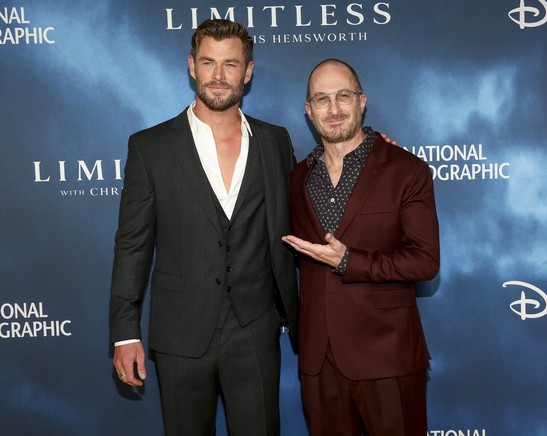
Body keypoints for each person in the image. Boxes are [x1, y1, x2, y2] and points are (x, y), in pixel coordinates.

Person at [109, 19, 298, 436]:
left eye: (230, 65)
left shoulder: (275, 141)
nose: (218, 76)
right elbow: (132, 246)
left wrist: (373, 153)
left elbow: (311, 191)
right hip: (180, 332)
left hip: (254, 328)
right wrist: (125, 333)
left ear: (247, 72)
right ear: (191, 66)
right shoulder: (151, 147)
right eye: (209, 62)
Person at [282, 59, 440, 435]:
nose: (333, 109)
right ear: (308, 110)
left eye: (343, 96)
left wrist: (349, 261)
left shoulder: (407, 170)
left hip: (388, 358)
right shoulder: (297, 177)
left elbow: (425, 260)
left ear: (362, 101)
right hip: (320, 362)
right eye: (322, 99)